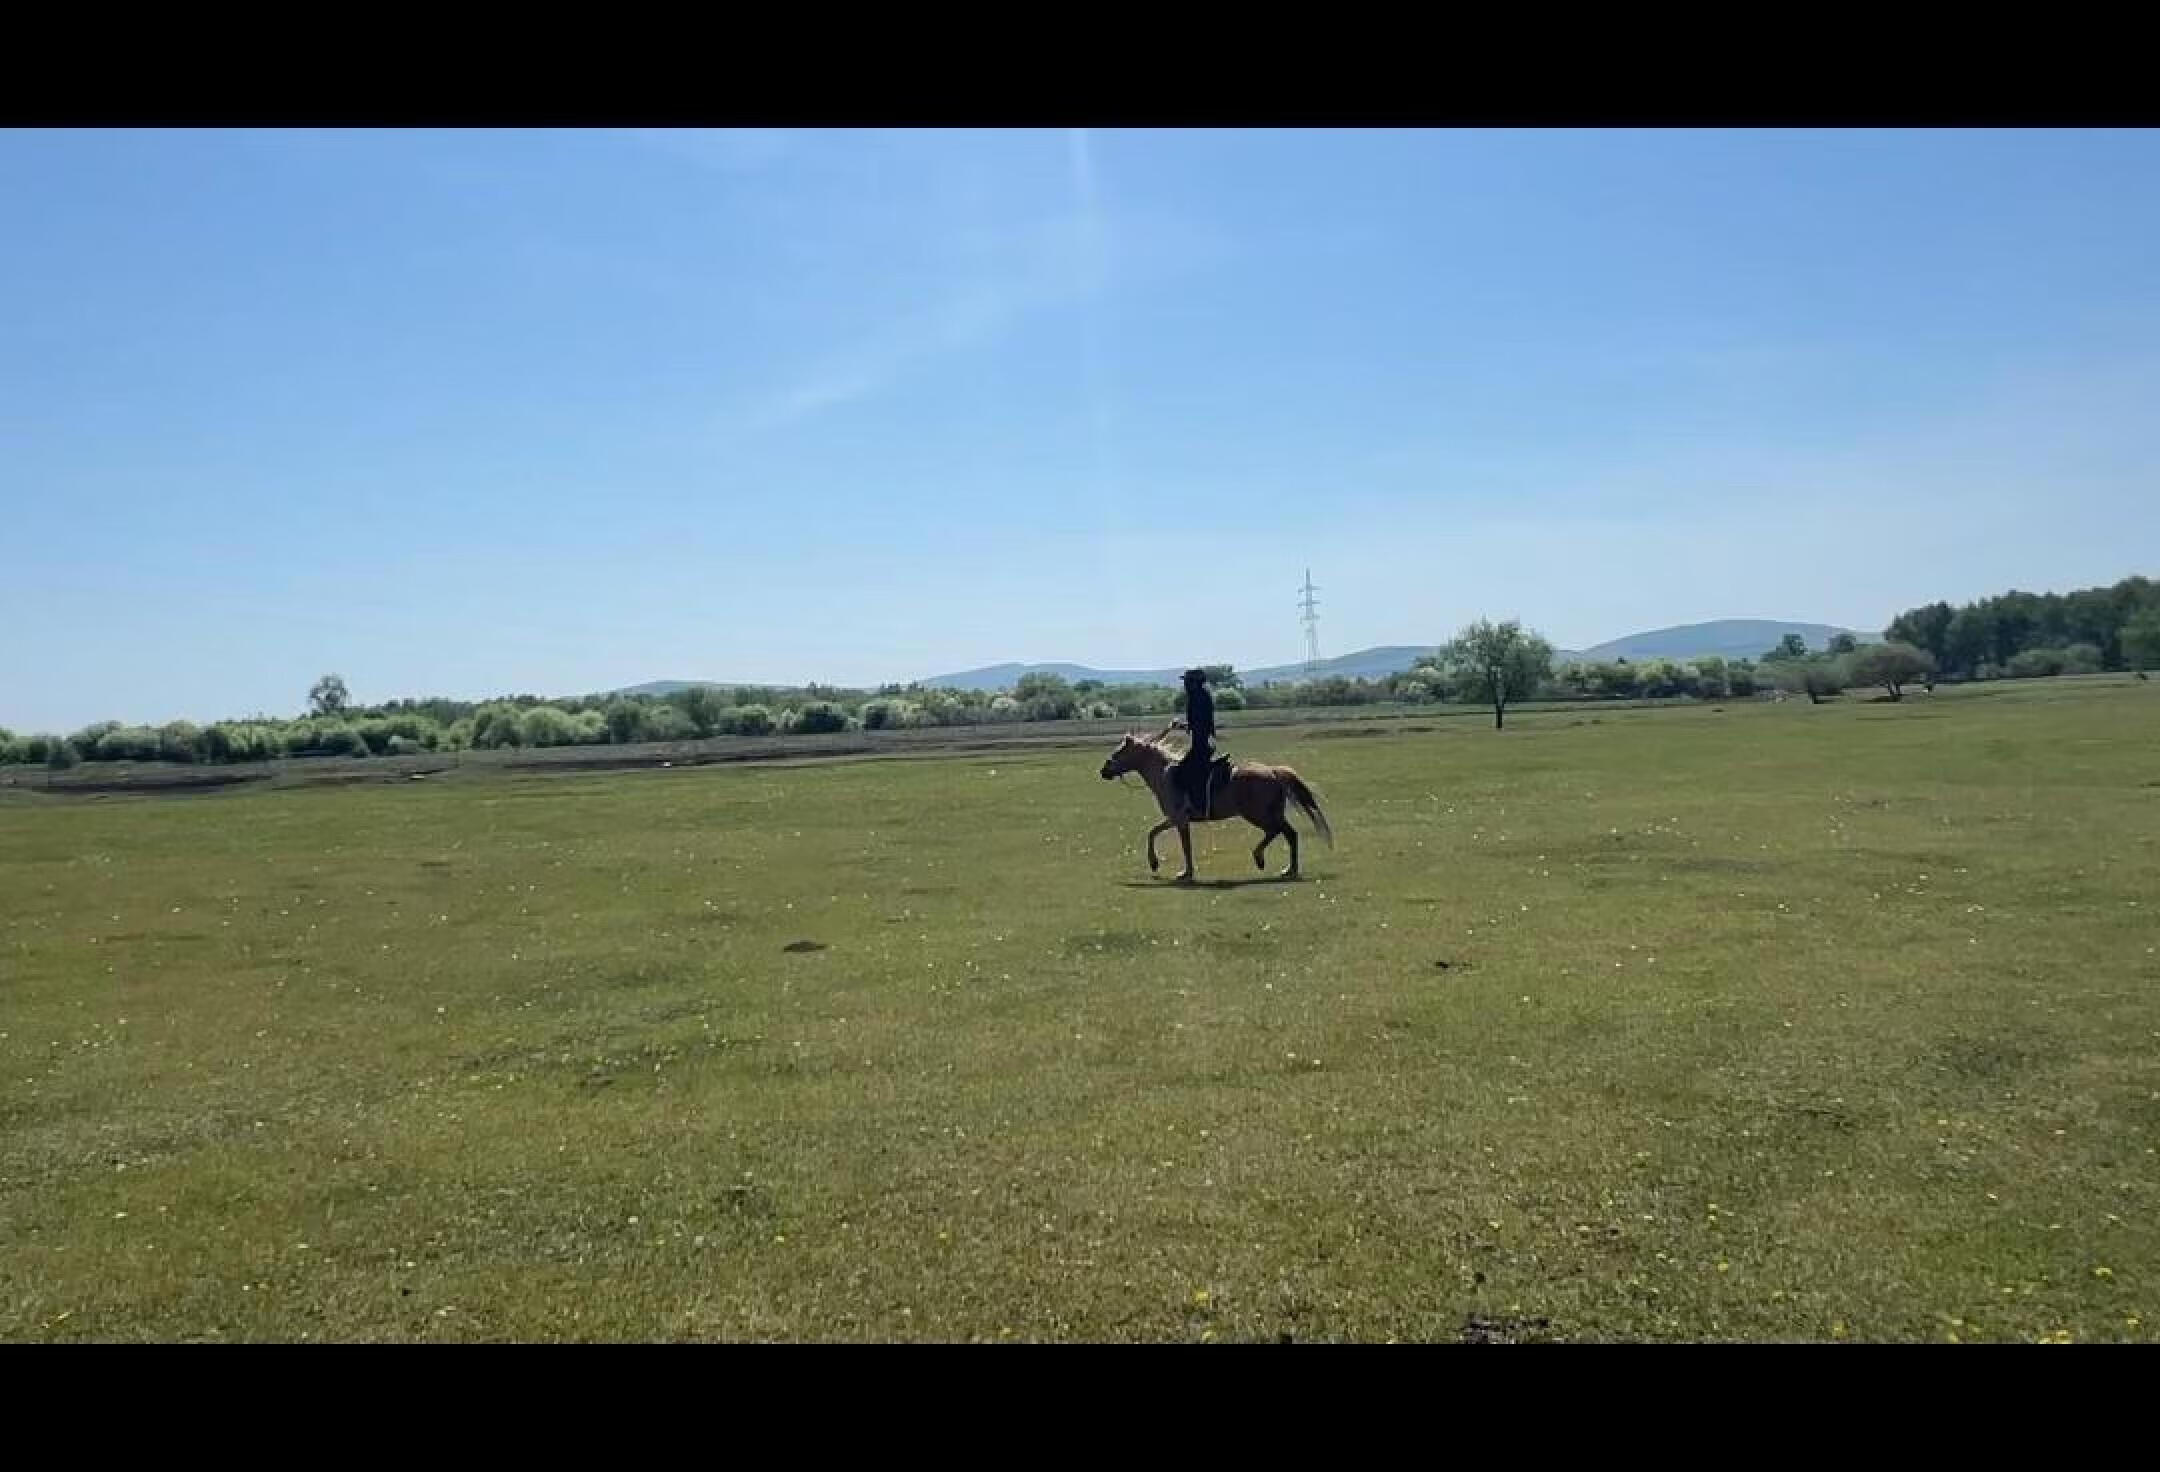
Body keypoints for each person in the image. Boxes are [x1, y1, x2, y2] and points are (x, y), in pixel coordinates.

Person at [1172, 667, 1217, 816]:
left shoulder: (1197, 697)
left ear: (1194, 683)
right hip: (1203, 741)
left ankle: (1195, 804)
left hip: (1201, 744)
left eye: (1187, 682)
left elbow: (1200, 724)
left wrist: (1185, 726)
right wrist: (1185, 726)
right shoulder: (1202, 695)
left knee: (1180, 773)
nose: (1185, 685)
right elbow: (1200, 722)